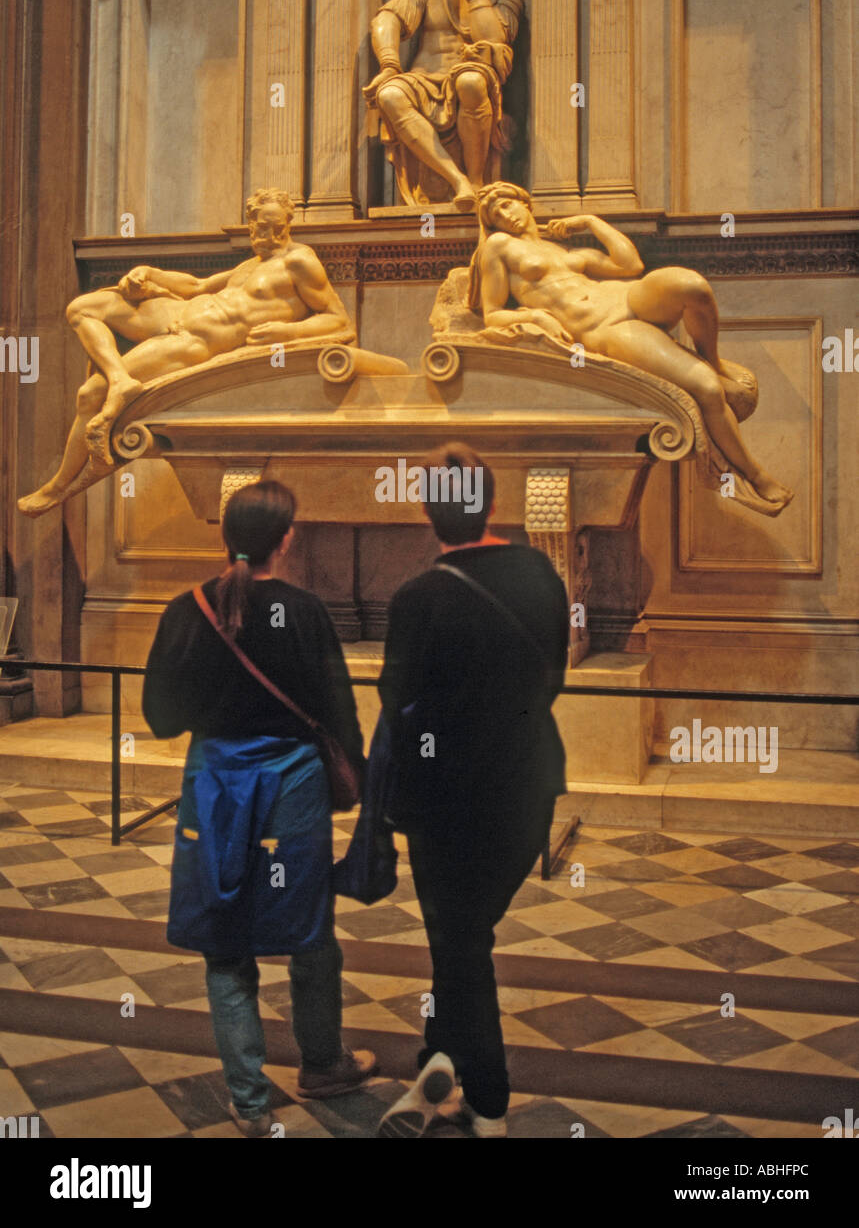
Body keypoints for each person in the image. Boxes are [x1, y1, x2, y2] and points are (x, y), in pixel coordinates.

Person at [142, 479, 375, 1137]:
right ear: (286, 539)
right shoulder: (304, 611)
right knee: (310, 930)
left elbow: (159, 719)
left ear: (224, 535)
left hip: (215, 786)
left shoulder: (185, 610)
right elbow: (337, 710)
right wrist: (356, 780)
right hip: (292, 786)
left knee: (224, 944)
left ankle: (248, 1104)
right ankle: (323, 1064)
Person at [376, 443, 569, 1138]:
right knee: (462, 934)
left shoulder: (419, 597)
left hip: (448, 801)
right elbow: (555, 672)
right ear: (490, 503)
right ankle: (438, 1055)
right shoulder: (541, 571)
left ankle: (486, 1099)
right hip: (528, 785)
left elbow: (395, 701)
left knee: (459, 942)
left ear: (429, 514)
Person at [18, 188, 355, 516]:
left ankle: (59, 486)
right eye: (261, 227)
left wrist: (288, 331)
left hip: (195, 340)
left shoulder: (300, 261)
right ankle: (120, 378)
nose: (268, 235)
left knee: (90, 393)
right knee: (83, 308)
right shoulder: (250, 266)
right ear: (250, 223)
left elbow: (339, 320)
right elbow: (197, 287)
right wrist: (149, 273)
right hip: (177, 313)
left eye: (276, 228)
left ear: (288, 224)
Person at [469, 182, 793, 514]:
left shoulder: (562, 251)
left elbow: (630, 266)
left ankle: (715, 360)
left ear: (526, 204)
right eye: (496, 214)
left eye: (509, 205)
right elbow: (492, 314)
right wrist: (537, 316)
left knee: (692, 286)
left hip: (626, 296)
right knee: (707, 389)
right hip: (606, 328)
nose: (506, 216)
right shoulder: (497, 246)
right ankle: (757, 475)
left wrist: (592, 222)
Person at [364, 0, 523, 210]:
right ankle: (457, 180)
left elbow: (493, 40)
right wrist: (389, 65)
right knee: (390, 95)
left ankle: (475, 181)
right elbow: (387, 18)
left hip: (469, 81)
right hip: (423, 79)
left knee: (471, 81)